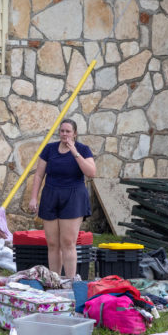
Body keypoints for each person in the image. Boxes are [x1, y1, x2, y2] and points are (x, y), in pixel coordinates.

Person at [28, 119, 96, 278]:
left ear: (75, 133)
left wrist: (75, 152)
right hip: (51, 195)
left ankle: (71, 281)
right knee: (52, 243)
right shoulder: (49, 149)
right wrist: (33, 198)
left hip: (73, 197)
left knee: (67, 242)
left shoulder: (83, 150)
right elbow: (38, 175)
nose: (64, 134)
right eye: (62, 131)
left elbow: (91, 172)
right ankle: (55, 280)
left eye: (68, 131)